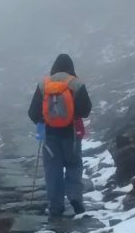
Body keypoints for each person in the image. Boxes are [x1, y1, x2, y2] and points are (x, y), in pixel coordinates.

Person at [28, 53, 93, 218]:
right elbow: (86, 110)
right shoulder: (75, 83)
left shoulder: (44, 84)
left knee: (53, 170)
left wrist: (45, 120)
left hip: (50, 136)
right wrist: (71, 115)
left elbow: (32, 112)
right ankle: (75, 198)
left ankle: (56, 207)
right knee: (74, 165)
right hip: (71, 134)